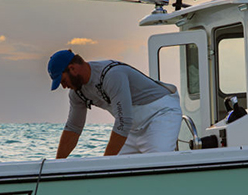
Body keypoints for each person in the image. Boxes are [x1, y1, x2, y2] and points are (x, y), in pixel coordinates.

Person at [48, 49, 182, 158]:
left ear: (72, 69)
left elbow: (123, 122)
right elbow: (73, 128)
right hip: (132, 128)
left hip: (161, 114)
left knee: (156, 162)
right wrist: (57, 165)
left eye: (63, 81)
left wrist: (105, 164)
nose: (64, 86)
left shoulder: (112, 75)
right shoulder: (77, 93)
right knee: (117, 168)